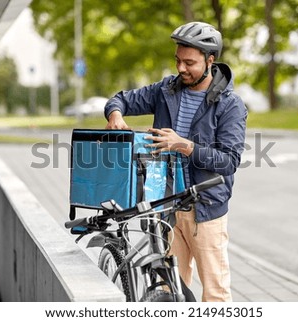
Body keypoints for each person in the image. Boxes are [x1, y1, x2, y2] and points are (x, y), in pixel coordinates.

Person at [104, 21, 247, 302]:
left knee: (215, 295)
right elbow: (120, 99)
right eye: (178, 61)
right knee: (169, 291)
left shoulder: (230, 105)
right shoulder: (166, 90)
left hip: (205, 210)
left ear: (210, 60)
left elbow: (229, 161)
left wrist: (183, 145)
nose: (181, 68)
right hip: (166, 205)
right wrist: (115, 114)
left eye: (189, 63)